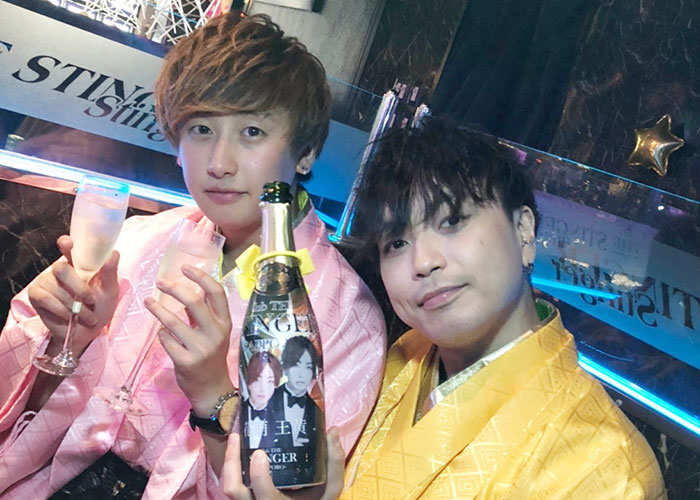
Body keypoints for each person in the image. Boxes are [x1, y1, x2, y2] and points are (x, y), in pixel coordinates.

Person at [0, 13, 386, 499]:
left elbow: (296, 491)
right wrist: (68, 342)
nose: (220, 164)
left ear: (305, 151)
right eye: (201, 129)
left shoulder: (345, 314)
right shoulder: (138, 239)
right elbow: (23, 411)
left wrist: (214, 395)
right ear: (175, 144)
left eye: (252, 132)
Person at [222, 120, 666, 499]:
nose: (424, 261)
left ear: (524, 229)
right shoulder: (404, 358)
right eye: (397, 242)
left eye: (451, 221)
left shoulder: (606, 468)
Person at [241, 352, 282, 449]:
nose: (263, 388)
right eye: (257, 380)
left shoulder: (281, 418)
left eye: (270, 381)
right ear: (248, 381)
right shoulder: (238, 414)